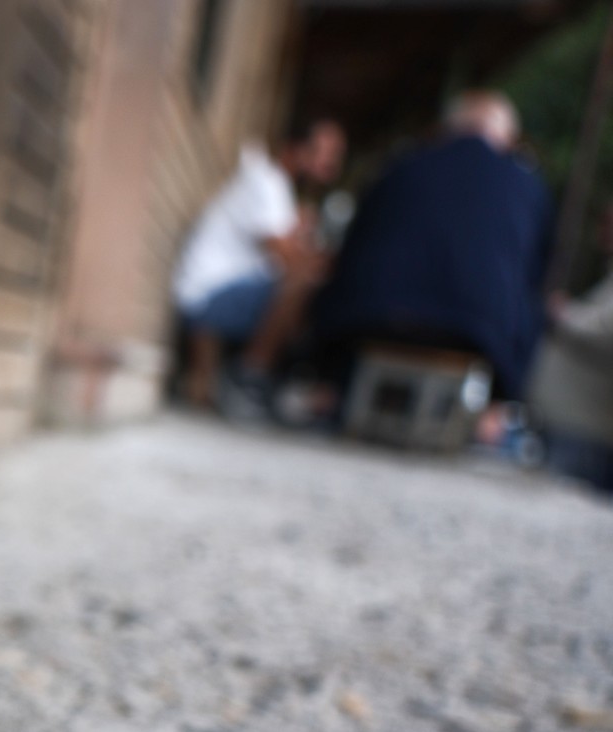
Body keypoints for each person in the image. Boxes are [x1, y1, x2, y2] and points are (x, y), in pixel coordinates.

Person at [310, 92, 553, 404]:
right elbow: (536, 278)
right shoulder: (529, 186)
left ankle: (327, 390)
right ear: (508, 138)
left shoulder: (402, 164)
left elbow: (353, 244)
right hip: (480, 339)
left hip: (371, 319)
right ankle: (495, 415)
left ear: (447, 129)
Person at [172, 116, 346, 411]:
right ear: (295, 149)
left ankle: (265, 378)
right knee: (304, 281)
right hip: (205, 299)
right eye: (324, 154)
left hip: (225, 294)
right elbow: (289, 261)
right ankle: (251, 374)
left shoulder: (279, 192)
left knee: (308, 283)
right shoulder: (266, 182)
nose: (330, 167)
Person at [528, 203, 613, 491]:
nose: (603, 230)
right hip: (570, 426)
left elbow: (606, 332)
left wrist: (564, 313)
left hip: (586, 431)